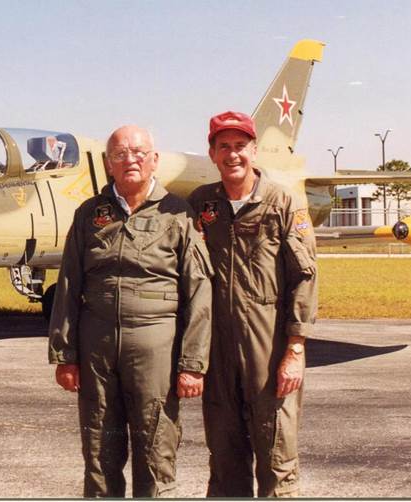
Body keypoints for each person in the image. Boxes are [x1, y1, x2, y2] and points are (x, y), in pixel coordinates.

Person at [48, 125, 213, 497]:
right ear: (109, 164)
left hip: (156, 348)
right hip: (97, 350)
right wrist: (65, 354)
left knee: (156, 449)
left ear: (154, 160)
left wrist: (192, 363)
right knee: (98, 450)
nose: (130, 160)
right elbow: (69, 285)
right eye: (120, 154)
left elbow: (200, 291)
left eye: (139, 153)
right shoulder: (90, 214)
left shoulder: (178, 215)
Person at [187, 111, 318, 497]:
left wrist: (295, 349)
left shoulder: (282, 202)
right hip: (218, 351)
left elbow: (304, 277)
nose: (233, 155)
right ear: (212, 153)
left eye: (240, 146)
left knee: (277, 456)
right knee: (225, 460)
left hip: (270, 347)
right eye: (223, 146)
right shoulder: (201, 204)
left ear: (254, 150)